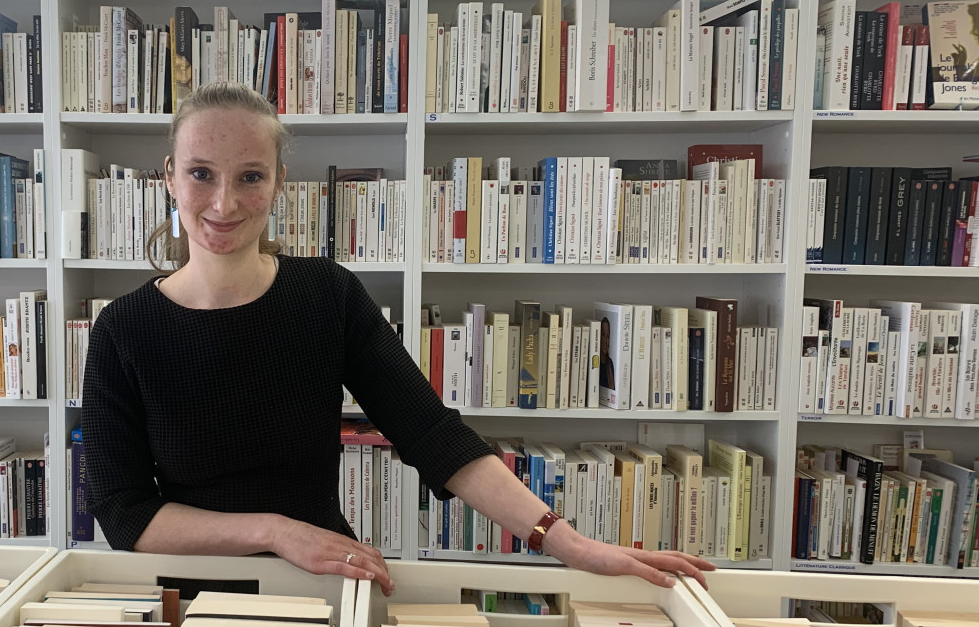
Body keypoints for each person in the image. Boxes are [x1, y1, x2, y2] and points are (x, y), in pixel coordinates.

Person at [82, 82, 713, 595]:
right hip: (189, 596)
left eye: (250, 176)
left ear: (278, 182)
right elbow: (123, 512)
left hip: (322, 583)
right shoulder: (123, 329)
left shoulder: (326, 295)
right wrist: (275, 530)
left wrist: (571, 543)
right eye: (201, 174)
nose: (224, 202)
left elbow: (432, 434)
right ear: (168, 176)